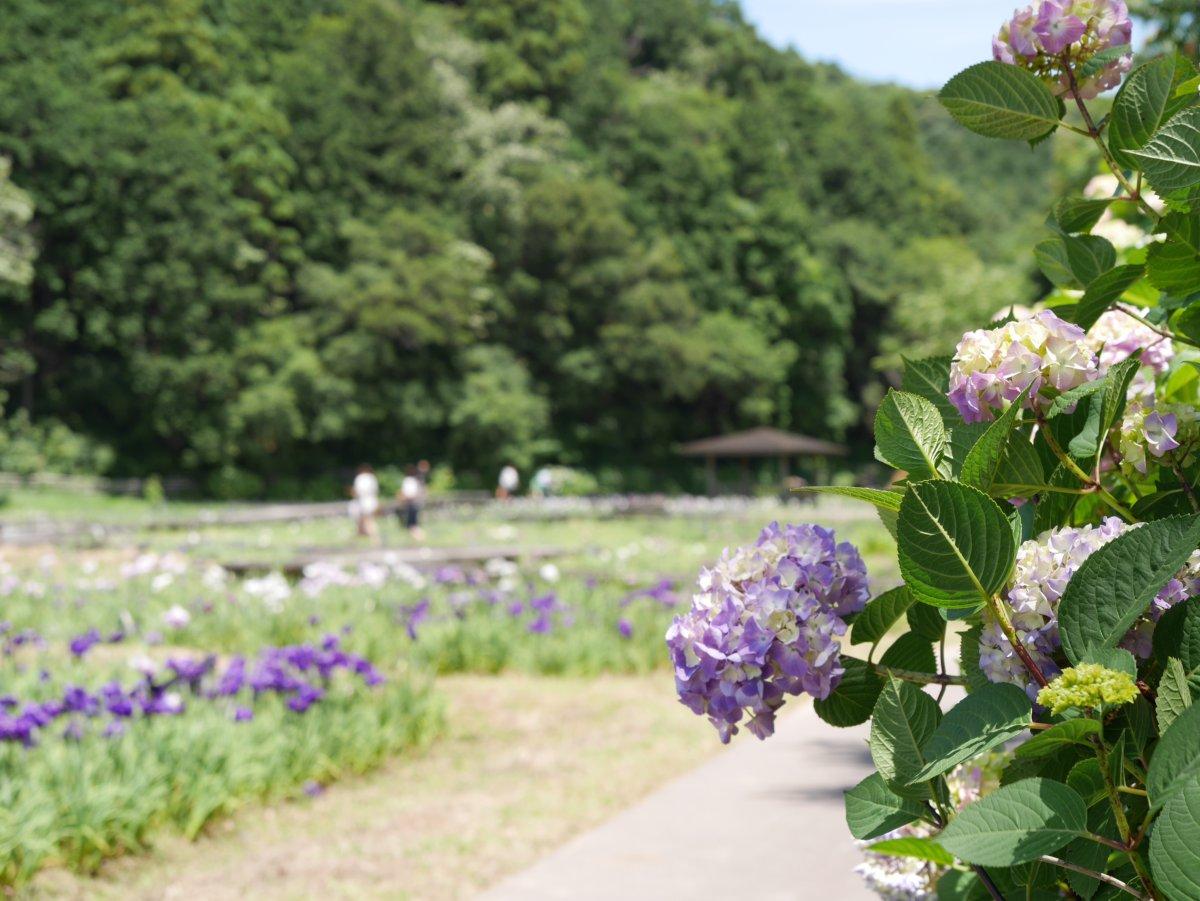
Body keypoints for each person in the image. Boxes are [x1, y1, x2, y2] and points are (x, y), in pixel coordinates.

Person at [350, 464, 380, 539]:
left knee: (367, 521)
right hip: (373, 501)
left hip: (363, 502)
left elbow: (357, 492)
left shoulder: (359, 478)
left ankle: (375, 539)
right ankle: (363, 535)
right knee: (367, 520)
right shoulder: (372, 477)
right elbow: (376, 491)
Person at [397, 464, 426, 541]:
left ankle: (420, 538)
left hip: (411, 504)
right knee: (413, 524)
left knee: (412, 524)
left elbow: (409, 494)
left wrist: (402, 499)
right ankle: (416, 539)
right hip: (415, 504)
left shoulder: (409, 480)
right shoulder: (415, 480)